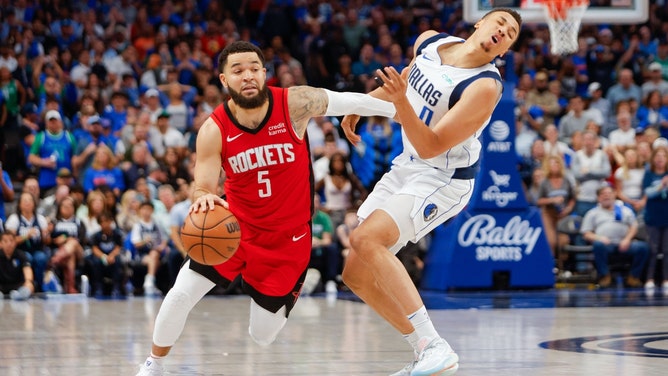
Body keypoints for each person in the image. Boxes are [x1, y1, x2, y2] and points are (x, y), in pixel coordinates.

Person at [136, 40, 396, 375]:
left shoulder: (295, 103)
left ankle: (268, 287)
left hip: (288, 242)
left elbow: (352, 100)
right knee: (182, 292)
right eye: (238, 70)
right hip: (234, 232)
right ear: (223, 80)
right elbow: (203, 182)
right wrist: (202, 195)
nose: (247, 76)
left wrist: (399, 108)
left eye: (254, 69)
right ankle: (153, 365)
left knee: (262, 336)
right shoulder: (214, 129)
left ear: (264, 73)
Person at [339, 9, 522, 376]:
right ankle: (427, 351)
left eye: (512, 33)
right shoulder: (430, 41)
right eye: (499, 22)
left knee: (368, 238)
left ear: (504, 50)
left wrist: (399, 103)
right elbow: (402, 87)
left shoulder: (485, 86)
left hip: (445, 177)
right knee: (355, 275)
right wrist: (362, 104)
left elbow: (432, 145)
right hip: (408, 164)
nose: (503, 31)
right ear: (479, 23)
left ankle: (435, 346)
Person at [580, 185, 648, 288]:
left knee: (643, 247)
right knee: (598, 245)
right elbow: (586, 233)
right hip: (606, 244)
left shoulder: (625, 210)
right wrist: (599, 238)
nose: (606, 196)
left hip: (624, 243)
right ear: (598, 198)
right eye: (603, 194)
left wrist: (627, 239)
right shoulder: (592, 213)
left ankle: (633, 276)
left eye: (609, 194)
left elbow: (634, 227)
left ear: (614, 195)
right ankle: (605, 276)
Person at [642, 146, 668, 291]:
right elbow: (648, 193)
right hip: (652, 217)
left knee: (666, 250)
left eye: (663, 156)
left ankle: (666, 279)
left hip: (667, 216)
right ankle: (650, 278)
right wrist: (661, 186)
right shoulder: (649, 174)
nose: (660, 159)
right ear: (653, 159)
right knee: (653, 249)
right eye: (657, 156)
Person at [0, 231, 34, 301]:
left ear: (15, 242)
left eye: (11, 241)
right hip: (1, 287)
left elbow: (27, 269)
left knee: (30, 286)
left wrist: (28, 281)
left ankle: (19, 296)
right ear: (1, 243)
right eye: (5, 241)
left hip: (18, 286)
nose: (9, 244)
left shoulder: (21, 255)